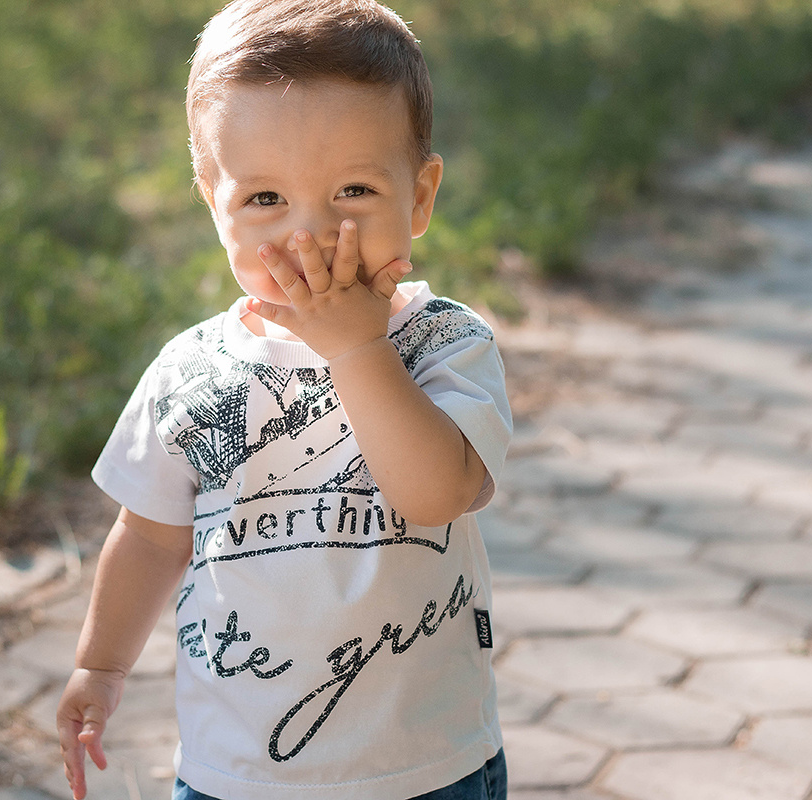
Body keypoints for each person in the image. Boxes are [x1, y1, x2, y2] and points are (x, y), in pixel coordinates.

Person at [56, 1, 512, 798]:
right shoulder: (192, 372)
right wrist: (100, 664)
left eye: (355, 191)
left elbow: (437, 494)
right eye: (265, 200)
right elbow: (151, 538)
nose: (309, 236)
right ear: (212, 201)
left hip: (422, 765)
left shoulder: (445, 344)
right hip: (237, 771)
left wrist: (358, 348)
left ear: (421, 196)